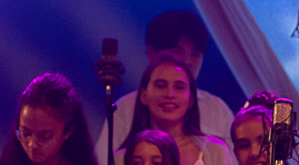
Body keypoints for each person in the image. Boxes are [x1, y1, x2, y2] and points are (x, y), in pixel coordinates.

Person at [116, 53, 238, 165]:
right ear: (143, 95)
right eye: (160, 86)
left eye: (179, 87)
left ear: (190, 100)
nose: (170, 94)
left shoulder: (215, 152)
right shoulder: (122, 159)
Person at [93, 10, 237, 157]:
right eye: (177, 52)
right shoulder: (125, 108)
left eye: (195, 55)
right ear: (151, 53)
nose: (187, 62)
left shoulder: (217, 110)